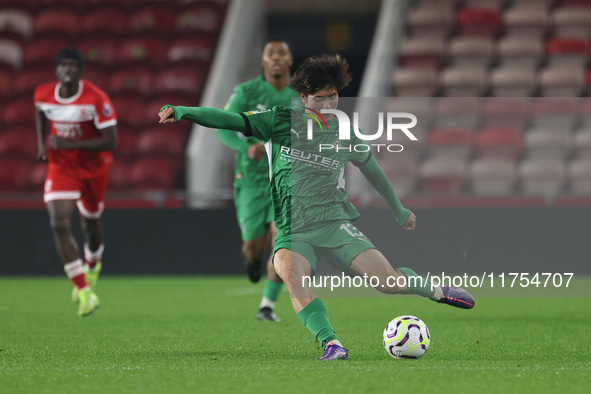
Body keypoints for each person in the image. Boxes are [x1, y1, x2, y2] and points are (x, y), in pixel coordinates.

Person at [158, 53, 474, 360]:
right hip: (293, 230)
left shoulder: (343, 130)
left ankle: (434, 290)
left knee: (388, 282)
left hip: (334, 224)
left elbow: (372, 170)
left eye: (333, 97)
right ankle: (331, 343)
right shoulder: (279, 121)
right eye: (320, 98)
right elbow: (230, 119)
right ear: (303, 97)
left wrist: (399, 210)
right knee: (292, 277)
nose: (327, 105)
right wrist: (184, 111)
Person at [216, 39, 297, 322]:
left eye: (281, 54)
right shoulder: (247, 92)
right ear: (263, 61)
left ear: (290, 60)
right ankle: (252, 261)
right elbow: (223, 127)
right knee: (254, 247)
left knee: (281, 242)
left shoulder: (301, 95)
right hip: (250, 181)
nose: (276, 58)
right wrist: (245, 148)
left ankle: (267, 306)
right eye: (270, 54)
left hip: (285, 180)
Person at [34, 48, 117, 317]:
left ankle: (93, 266)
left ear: (81, 71)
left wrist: (69, 142)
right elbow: (40, 112)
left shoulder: (96, 99)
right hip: (61, 167)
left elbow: (111, 141)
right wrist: (42, 145)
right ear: (56, 71)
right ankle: (84, 291)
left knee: (90, 224)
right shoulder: (43, 94)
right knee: (58, 223)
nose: (67, 70)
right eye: (63, 66)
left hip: (93, 169)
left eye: (72, 66)